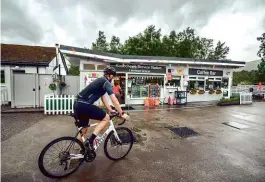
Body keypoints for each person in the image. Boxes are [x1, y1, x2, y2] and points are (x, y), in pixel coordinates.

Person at [73, 67, 129, 155]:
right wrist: (122, 113)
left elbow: (103, 99)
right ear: (110, 75)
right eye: (113, 76)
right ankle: (91, 141)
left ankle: (79, 151)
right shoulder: (106, 82)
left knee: (84, 129)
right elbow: (114, 99)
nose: (113, 78)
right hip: (84, 105)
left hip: (77, 105)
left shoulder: (101, 81)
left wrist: (110, 109)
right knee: (106, 118)